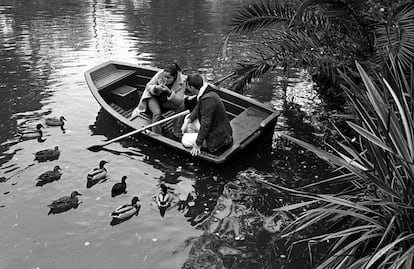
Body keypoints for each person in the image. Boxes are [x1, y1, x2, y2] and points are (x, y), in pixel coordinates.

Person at [181, 73, 233, 156]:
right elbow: (197, 109)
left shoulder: (207, 99)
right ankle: (197, 137)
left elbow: (206, 124)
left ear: (192, 87)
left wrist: (198, 144)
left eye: (187, 86)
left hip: (218, 139)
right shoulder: (206, 92)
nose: (187, 88)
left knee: (185, 140)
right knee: (188, 118)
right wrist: (186, 122)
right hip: (217, 130)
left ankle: (200, 145)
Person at [131, 63, 186, 136]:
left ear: (174, 77)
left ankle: (177, 132)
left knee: (181, 106)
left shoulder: (182, 82)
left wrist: (169, 92)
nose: (166, 79)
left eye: (169, 78)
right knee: (157, 113)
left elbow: (179, 100)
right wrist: (156, 88)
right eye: (165, 77)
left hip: (166, 101)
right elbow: (148, 86)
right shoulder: (159, 75)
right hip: (153, 98)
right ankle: (156, 135)